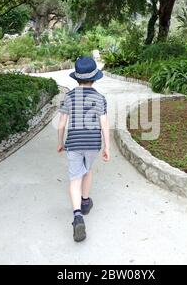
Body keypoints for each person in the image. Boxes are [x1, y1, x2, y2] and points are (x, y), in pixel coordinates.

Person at [57, 57, 110, 242]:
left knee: (74, 178)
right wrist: (107, 147)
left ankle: (77, 215)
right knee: (87, 171)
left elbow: (62, 123)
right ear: (95, 78)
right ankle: (85, 202)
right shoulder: (100, 98)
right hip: (93, 144)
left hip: (74, 143)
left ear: (76, 78)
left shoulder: (69, 97)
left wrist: (60, 142)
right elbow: (104, 124)